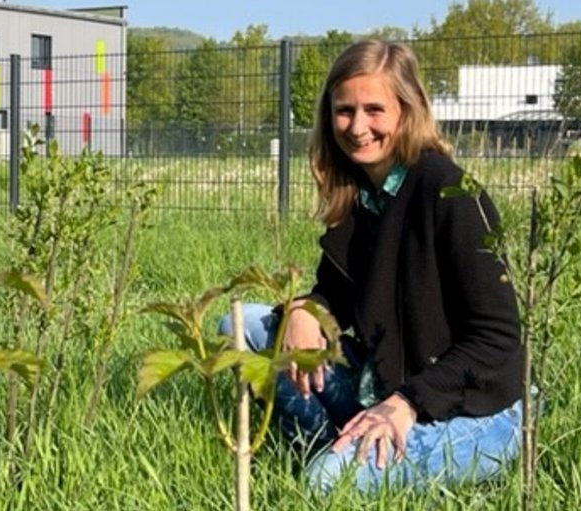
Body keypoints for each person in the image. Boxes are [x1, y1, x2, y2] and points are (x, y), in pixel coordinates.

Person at [220, 40, 523, 493]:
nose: (357, 126)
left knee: (328, 485)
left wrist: (407, 402)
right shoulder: (360, 194)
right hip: (384, 388)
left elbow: (496, 338)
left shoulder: (451, 194)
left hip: (471, 410)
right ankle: (335, 446)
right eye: (344, 111)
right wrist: (305, 310)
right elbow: (334, 296)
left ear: (407, 109)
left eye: (374, 109)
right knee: (243, 326)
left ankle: (341, 463)